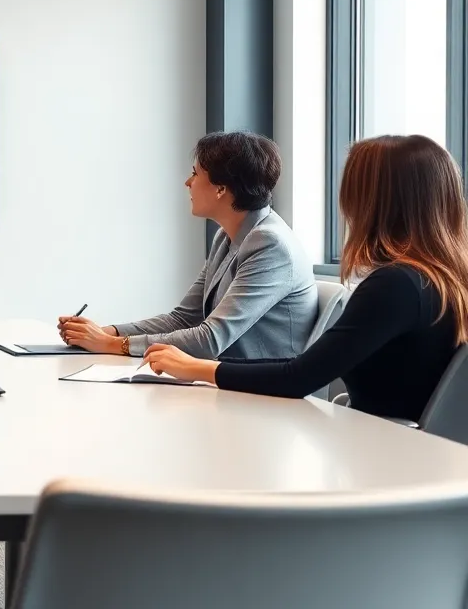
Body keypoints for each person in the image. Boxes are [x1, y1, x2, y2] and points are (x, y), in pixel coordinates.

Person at [147, 135, 468, 422]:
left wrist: (196, 367)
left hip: (382, 456)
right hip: (404, 453)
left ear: (373, 201)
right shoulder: (440, 280)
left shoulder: (396, 286)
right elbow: (304, 367)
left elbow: (300, 376)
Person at [59, 131, 317, 359]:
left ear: (220, 189)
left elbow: (210, 339)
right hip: (226, 382)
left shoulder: (270, 245)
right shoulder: (227, 237)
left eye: (195, 173)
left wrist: (113, 344)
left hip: (267, 400)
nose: (187, 182)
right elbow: (182, 319)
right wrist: (102, 333)